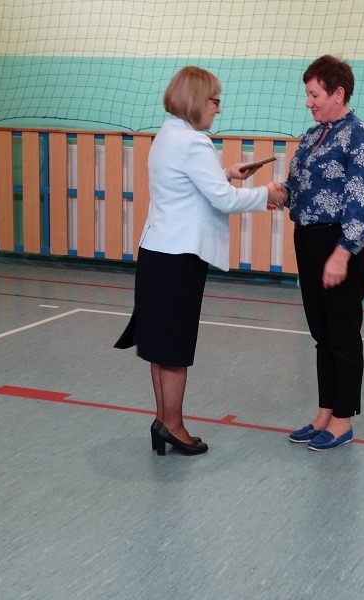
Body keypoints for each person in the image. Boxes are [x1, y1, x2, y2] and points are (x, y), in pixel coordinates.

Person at [114, 66, 286, 456]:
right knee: (174, 348)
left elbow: (189, 183)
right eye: (215, 101)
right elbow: (223, 200)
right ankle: (174, 427)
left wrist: (226, 172)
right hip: (180, 257)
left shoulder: (167, 135)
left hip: (157, 251)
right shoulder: (194, 143)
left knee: (160, 346)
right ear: (197, 100)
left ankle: (163, 421)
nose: (218, 109)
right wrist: (267, 194)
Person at [276, 55, 364, 451]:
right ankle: (324, 413)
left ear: (338, 93)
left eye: (315, 95)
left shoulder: (360, 135)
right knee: (322, 333)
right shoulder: (312, 135)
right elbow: (298, 186)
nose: (309, 102)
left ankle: (342, 420)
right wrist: (279, 194)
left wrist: (342, 253)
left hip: (339, 243)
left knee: (342, 333)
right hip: (308, 239)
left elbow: (363, 198)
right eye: (307, 94)